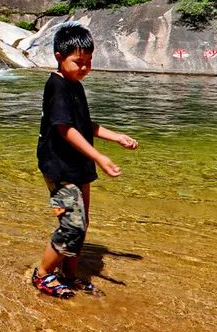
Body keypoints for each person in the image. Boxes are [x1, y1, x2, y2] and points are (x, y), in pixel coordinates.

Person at [31, 22, 139, 298]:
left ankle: (69, 274)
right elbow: (65, 129)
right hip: (59, 165)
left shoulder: (74, 84)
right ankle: (43, 274)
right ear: (58, 56)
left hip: (79, 164)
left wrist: (116, 137)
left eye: (89, 62)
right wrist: (100, 157)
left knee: (82, 222)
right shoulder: (56, 85)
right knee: (72, 224)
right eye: (78, 62)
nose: (84, 67)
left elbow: (84, 124)